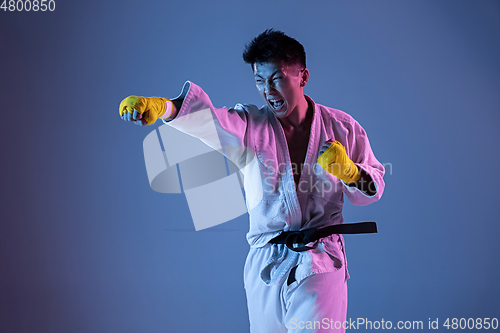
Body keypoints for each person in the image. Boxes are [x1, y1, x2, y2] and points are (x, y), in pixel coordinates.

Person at [119, 29, 385, 333]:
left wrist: (349, 171)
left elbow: (373, 188)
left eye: (277, 79)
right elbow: (209, 120)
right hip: (266, 261)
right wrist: (163, 106)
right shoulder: (250, 125)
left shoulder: (342, 128)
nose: (268, 91)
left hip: (322, 257)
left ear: (303, 77)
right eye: (260, 81)